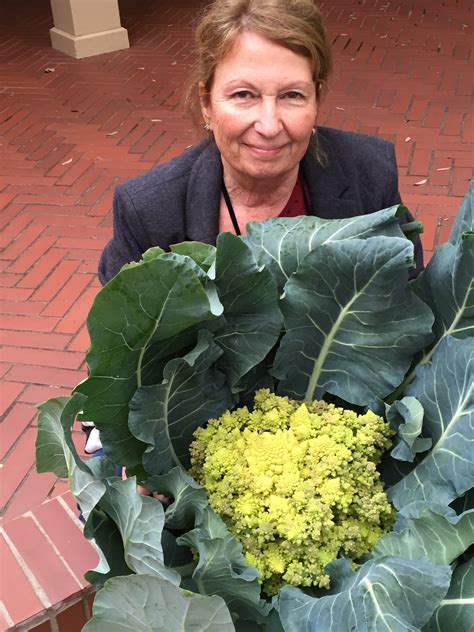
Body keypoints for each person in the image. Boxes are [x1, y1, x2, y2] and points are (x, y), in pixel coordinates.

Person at [83, 0, 423, 456]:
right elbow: (126, 361)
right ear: (206, 101)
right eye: (243, 95)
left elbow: (409, 304)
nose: (269, 125)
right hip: (204, 432)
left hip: (336, 424)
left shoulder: (366, 174)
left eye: (292, 95)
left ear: (317, 97)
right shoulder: (150, 209)